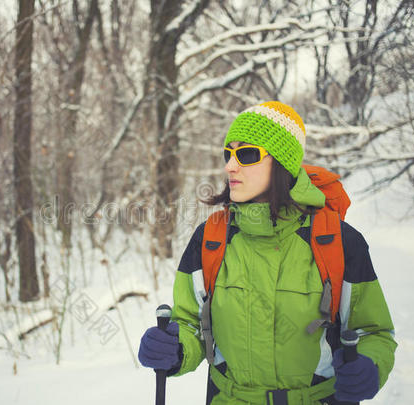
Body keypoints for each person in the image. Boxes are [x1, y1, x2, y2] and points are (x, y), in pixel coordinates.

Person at [138, 101, 397, 405]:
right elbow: (191, 324)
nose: (230, 165)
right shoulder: (210, 238)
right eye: (228, 154)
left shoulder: (339, 241)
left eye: (246, 154)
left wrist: (370, 366)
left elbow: (374, 332)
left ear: (282, 162)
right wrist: (174, 348)